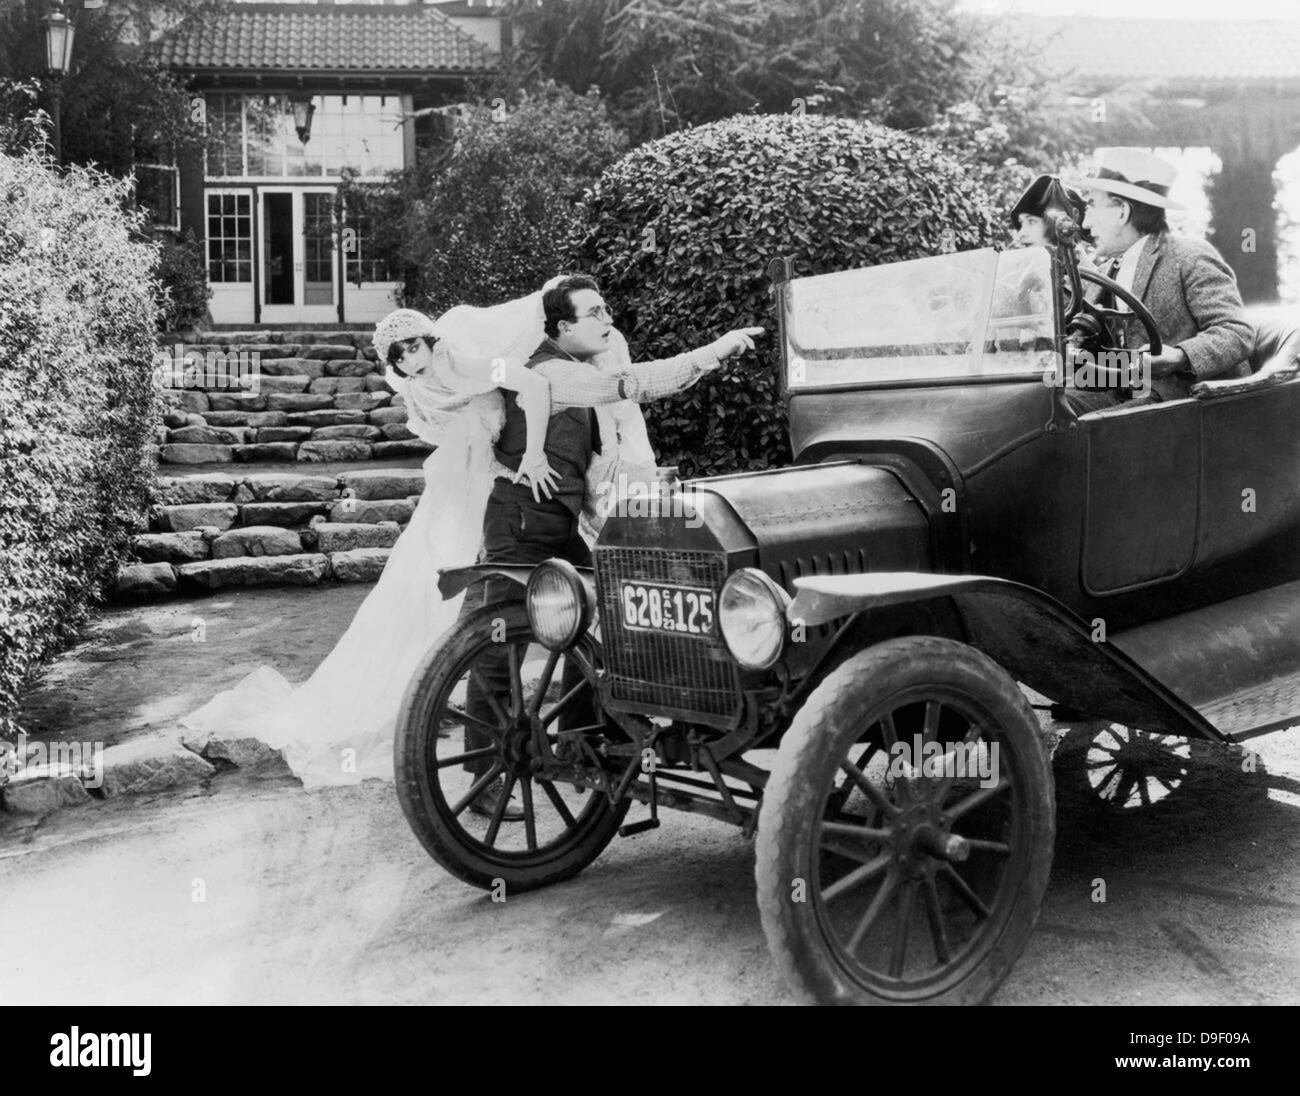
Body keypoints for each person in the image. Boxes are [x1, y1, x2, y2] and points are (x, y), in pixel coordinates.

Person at [180, 294, 572, 787]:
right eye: (398, 356)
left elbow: (533, 385)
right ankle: (463, 727)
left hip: (487, 470)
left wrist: (533, 454)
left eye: (412, 346)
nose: (409, 360)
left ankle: (495, 720)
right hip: (468, 474)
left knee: (480, 582)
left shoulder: (470, 359)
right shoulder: (419, 390)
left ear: (429, 337)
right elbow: (444, 429)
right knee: (442, 586)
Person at [462, 274, 765, 818]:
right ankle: (487, 771)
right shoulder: (549, 372)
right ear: (561, 327)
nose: (608, 320)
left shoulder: (578, 371)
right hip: (519, 523)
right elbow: (632, 383)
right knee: (498, 643)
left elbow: (596, 460)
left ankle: (587, 744)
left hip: (556, 523)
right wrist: (714, 352)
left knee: (600, 620)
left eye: (607, 310)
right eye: (595, 313)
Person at [1067, 147, 1254, 413]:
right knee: (1045, 406)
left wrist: (1180, 356)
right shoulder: (1109, 270)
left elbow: (1237, 332)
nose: (1085, 223)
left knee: (1084, 428)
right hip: (1128, 390)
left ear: (1122, 212)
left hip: (1189, 404)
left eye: (1093, 206)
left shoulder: (1189, 255)